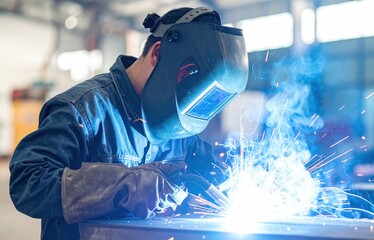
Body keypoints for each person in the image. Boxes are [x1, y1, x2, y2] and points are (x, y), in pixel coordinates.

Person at [9, 6, 248, 240]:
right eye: (185, 93)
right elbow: (27, 181)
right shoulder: (82, 109)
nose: (183, 112)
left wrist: (229, 180)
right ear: (157, 54)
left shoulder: (180, 127)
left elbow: (206, 168)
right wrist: (122, 184)